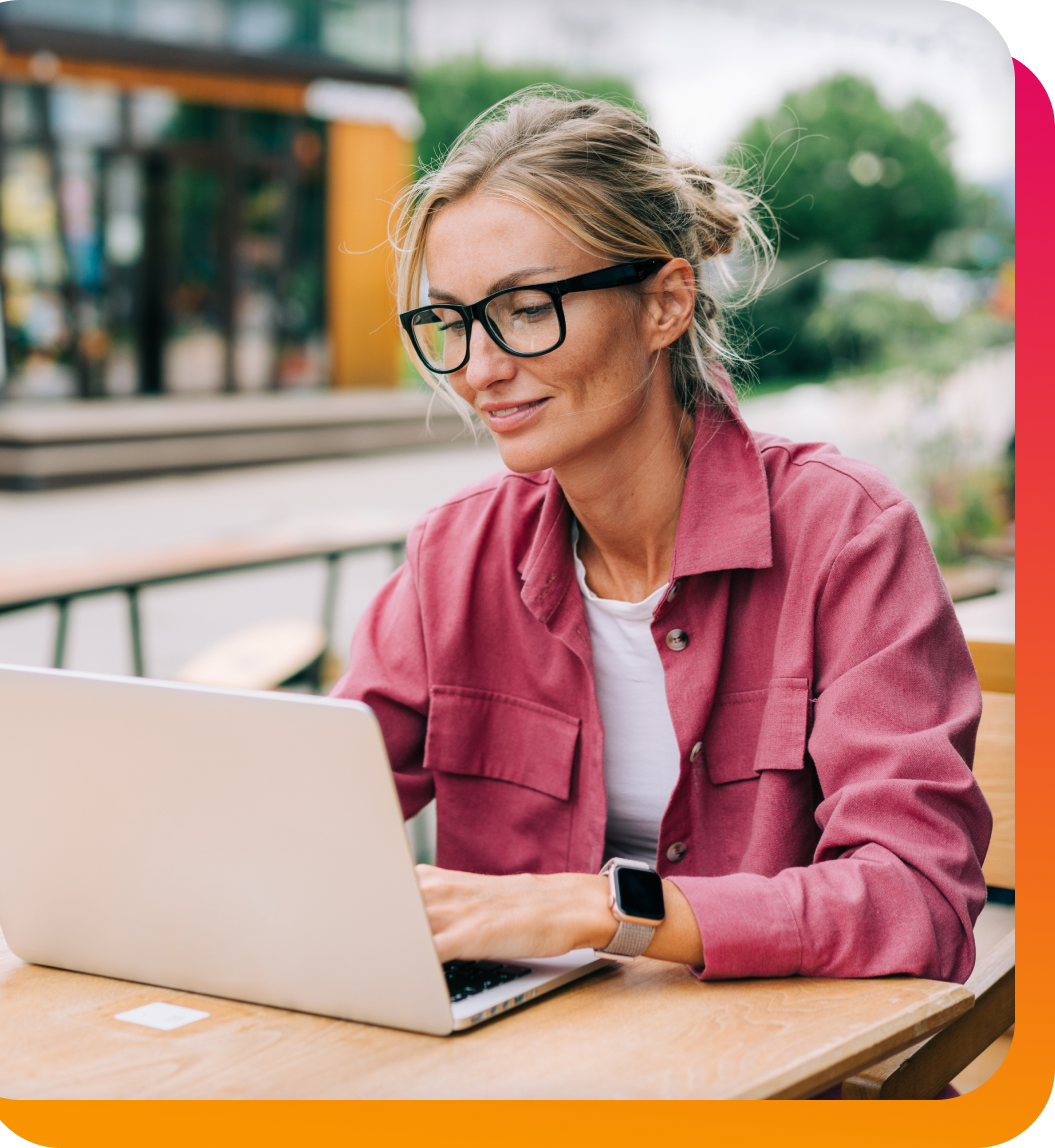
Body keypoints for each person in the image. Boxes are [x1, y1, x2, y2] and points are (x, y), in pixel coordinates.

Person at [331, 92, 990, 984]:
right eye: (450, 322)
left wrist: (604, 910)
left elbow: (917, 899)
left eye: (526, 309)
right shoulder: (455, 557)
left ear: (665, 303)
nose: (480, 370)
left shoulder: (847, 537)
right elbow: (306, 818)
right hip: (522, 1071)